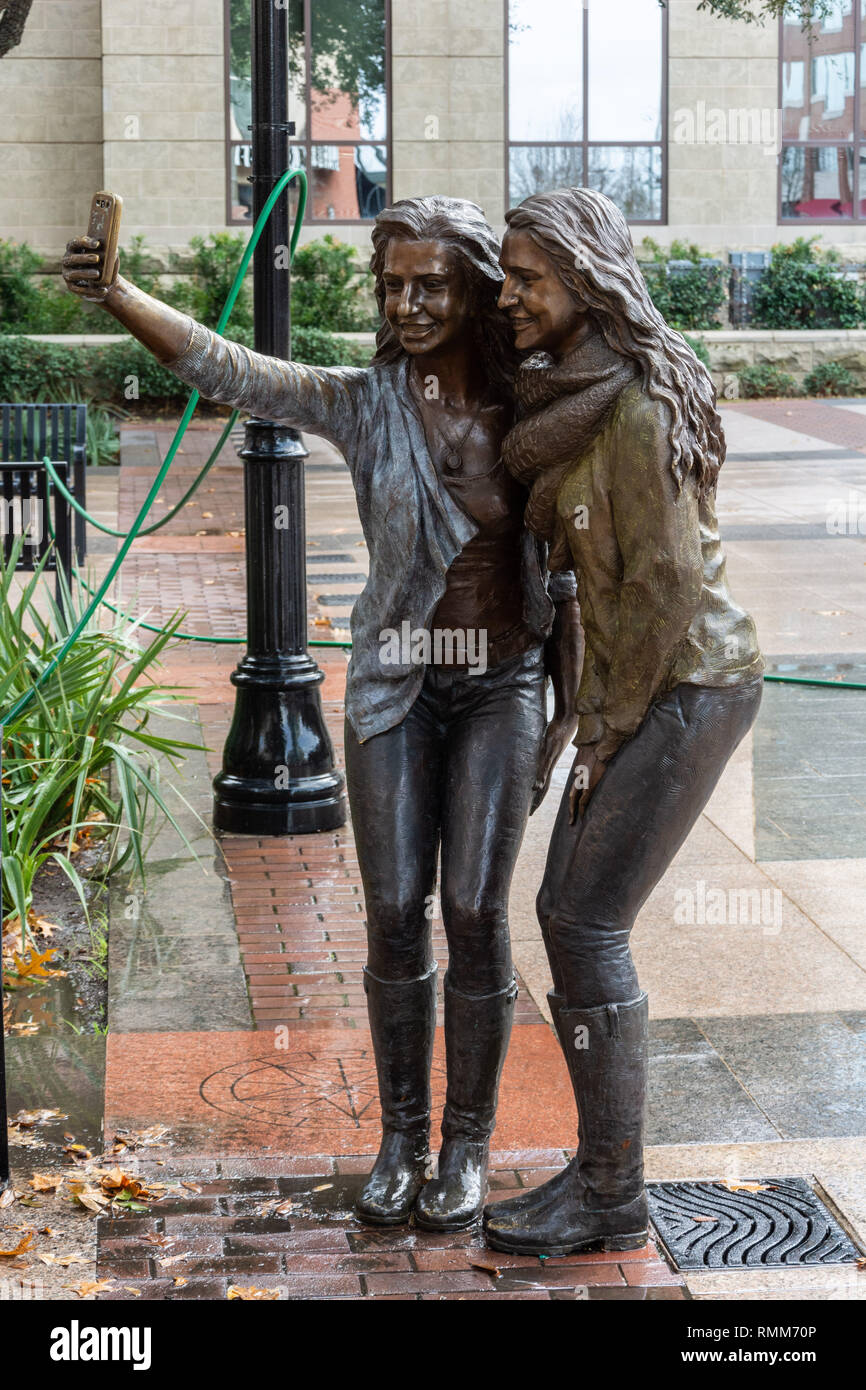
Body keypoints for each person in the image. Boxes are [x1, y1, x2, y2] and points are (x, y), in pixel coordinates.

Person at [62, 195, 582, 1231]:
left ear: (475, 285)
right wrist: (119, 295)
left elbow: (581, 555)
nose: (411, 302)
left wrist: (573, 718)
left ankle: (465, 1145)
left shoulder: (538, 401)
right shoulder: (365, 400)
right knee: (393, 915)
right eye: (393, 286)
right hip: (395, 686)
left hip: (500, 684)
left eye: (432, 282)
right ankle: (399, 1136)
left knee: (475, 914)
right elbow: (234, 371)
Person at [483, 187, 764, 1257]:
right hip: (647, 683)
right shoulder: (572, 394)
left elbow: (661, 590)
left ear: (585, 282)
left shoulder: (634, 407)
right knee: (566, 909)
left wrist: (597, 732)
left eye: (527, 279)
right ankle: (601, 1175)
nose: (508, 298)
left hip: (686, 684)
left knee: (584, 916)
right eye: (505, 277)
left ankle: (611, 1190)